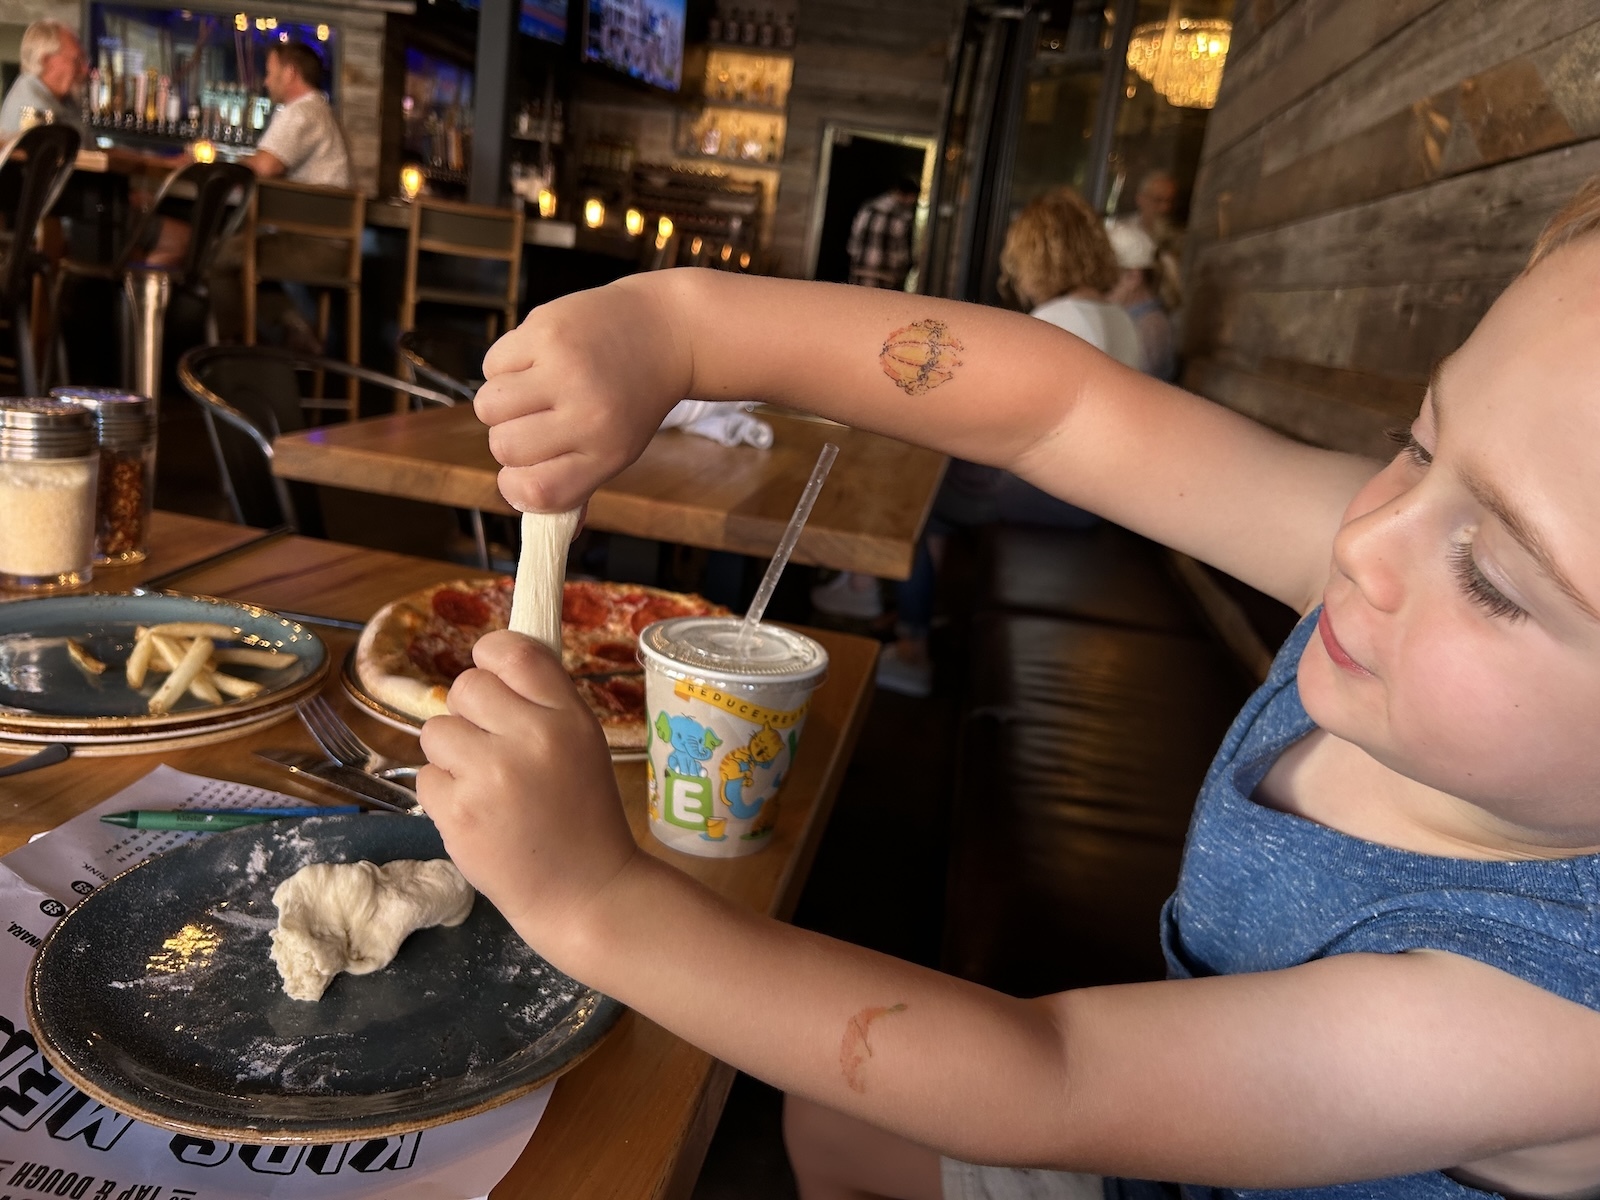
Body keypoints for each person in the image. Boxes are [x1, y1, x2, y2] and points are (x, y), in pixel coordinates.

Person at [427, 178, 1600, 1200]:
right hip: (1177, 1140)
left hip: (1122, 1119)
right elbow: (1062, 407)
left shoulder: (1552, 1019)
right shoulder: (1390, 582)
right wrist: (678, 326)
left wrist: (592, 899)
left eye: (1496, 581)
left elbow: (1054, 1074)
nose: (1368, 540)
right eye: (1417, 439)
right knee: (825, 1122)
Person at [245, 40, 351, 188]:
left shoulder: (302, 112)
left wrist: (224, 169)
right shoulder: (317, 108)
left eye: (269, 73)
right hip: (320, 207)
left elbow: (265, 167)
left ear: (290, 73)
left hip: (311, 208)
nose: (266, 82)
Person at [1107, 221, 1177, 382]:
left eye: (1108, 276)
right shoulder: (1140, 320)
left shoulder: (1149, 328)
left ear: (1132, 277)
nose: (1100, 285)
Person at [0, 20, 85, 136]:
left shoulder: (66, 101)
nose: (85, 70)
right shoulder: (32, 108)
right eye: (76, 61)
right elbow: (51, 153)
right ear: (46, 61)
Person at [845, 176, 919, 289]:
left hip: (860, 268)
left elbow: (854, 239)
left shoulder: (868, 208)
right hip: (886, 274)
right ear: (908, 195)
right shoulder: (902, 216)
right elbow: (901, 251)